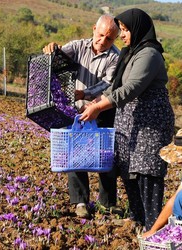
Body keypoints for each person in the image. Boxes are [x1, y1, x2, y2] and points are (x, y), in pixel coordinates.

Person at [79, 8, 175, 230]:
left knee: (146, 171)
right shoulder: (130, 53)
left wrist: (101, 106)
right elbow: (116, 85)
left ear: (139, 29)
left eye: (125, 30)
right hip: (129, 120)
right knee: (127, 169)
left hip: (150, 122)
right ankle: (135, 218)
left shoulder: (149, 54)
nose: (122, 34)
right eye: (121, 30)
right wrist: (95, 103)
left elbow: (132, 87)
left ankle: (152, 226)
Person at [43, 14, 120, 218]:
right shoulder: (78, 46)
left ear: (115, 39)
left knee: (105, 155)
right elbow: (59, 58)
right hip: (77, 110)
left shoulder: (115, 57)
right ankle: (80, 202)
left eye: (109, 38)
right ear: (94, 29)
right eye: (101, 35)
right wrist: (52, 48)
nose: (103, 41)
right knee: (76, 155)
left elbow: (108, 84)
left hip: (101, 110)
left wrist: (85, 94)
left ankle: (107, 202)